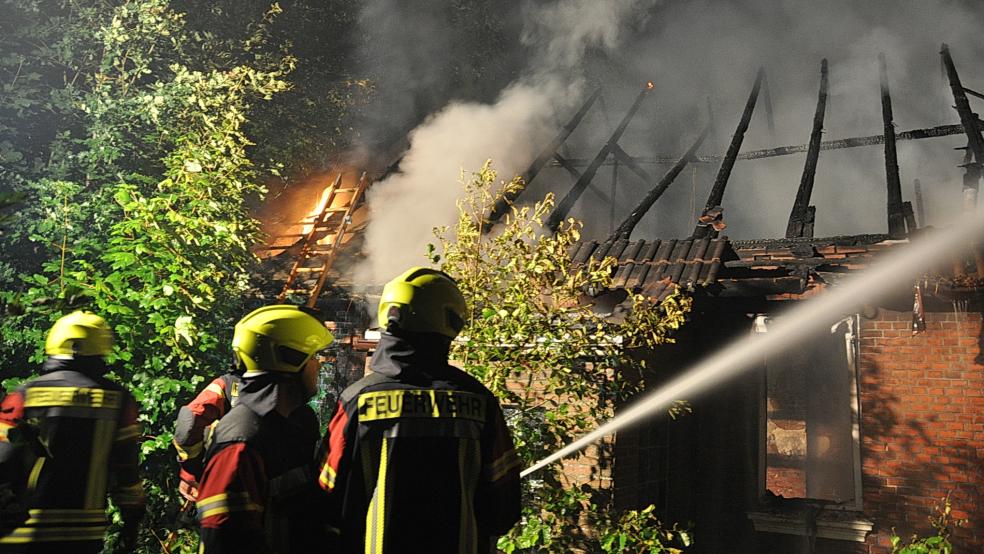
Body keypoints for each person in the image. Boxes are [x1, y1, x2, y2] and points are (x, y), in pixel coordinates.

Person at [317, 267, 522, 553]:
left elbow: (326, 493)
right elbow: (505, 504)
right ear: (450, 322)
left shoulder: (358, 400)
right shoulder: (479, 401)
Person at [0, 311, 145, 553]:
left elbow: (2, 458)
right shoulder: (119, 401)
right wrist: (131, 522)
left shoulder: (24, 396)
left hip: (21, 534)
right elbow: (127, 471)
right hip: (83, 535)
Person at [196, 304, 333, 553]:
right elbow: (224, 539)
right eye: (314, 357)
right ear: (290, 359)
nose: (318, 366)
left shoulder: (298, 422)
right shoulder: (241, 442)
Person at [172, 367, 242, 501]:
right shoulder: (292, 387)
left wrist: (190, 472)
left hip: (229, 486)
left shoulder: (227, 384)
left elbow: (189, 422)